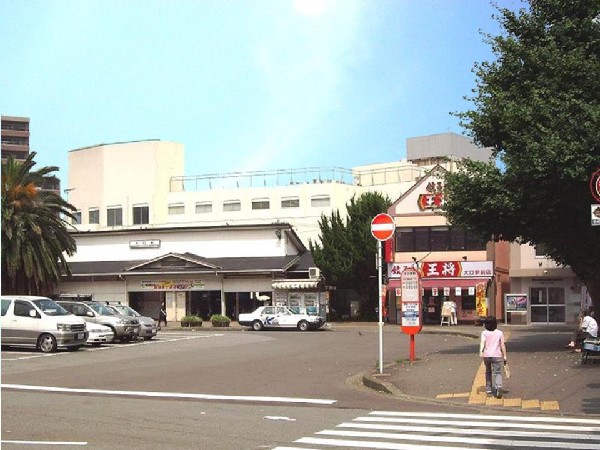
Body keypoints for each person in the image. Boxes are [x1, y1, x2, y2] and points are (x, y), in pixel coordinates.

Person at [480, 316, 507, 399]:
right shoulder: (499, 333)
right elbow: (502, 345)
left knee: (488, 371)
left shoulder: (484, 333)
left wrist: (481, 352)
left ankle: (488, 389)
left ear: (486, 324)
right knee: (497, 372)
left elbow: (482, 343)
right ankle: (498, 386)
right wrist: (505, 356)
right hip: (497, 355)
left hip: (487, 355)